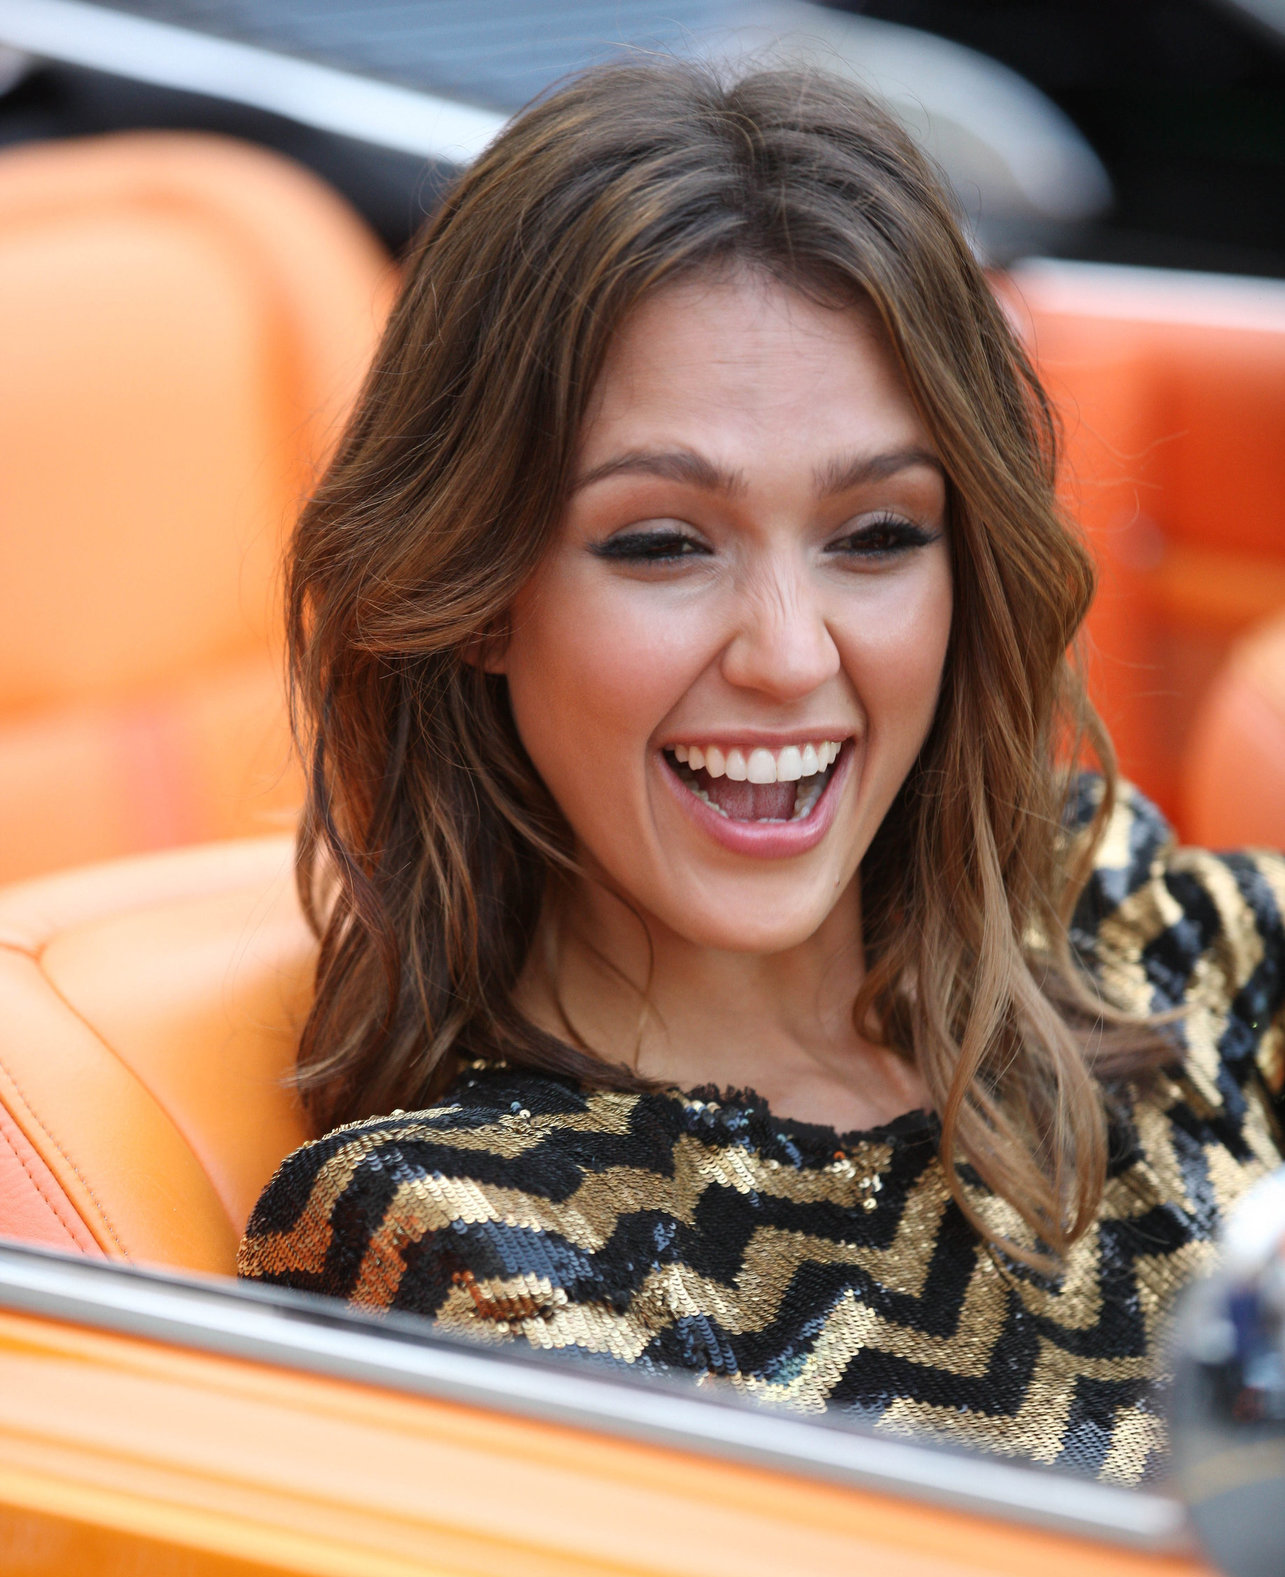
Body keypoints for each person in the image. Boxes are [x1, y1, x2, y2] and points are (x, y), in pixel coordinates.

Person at [239, 61, 1285, 1485]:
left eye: (874, 536)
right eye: (662, 542)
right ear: (477, 593)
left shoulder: (1130, 914)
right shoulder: (458, 1234)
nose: (791, 655)